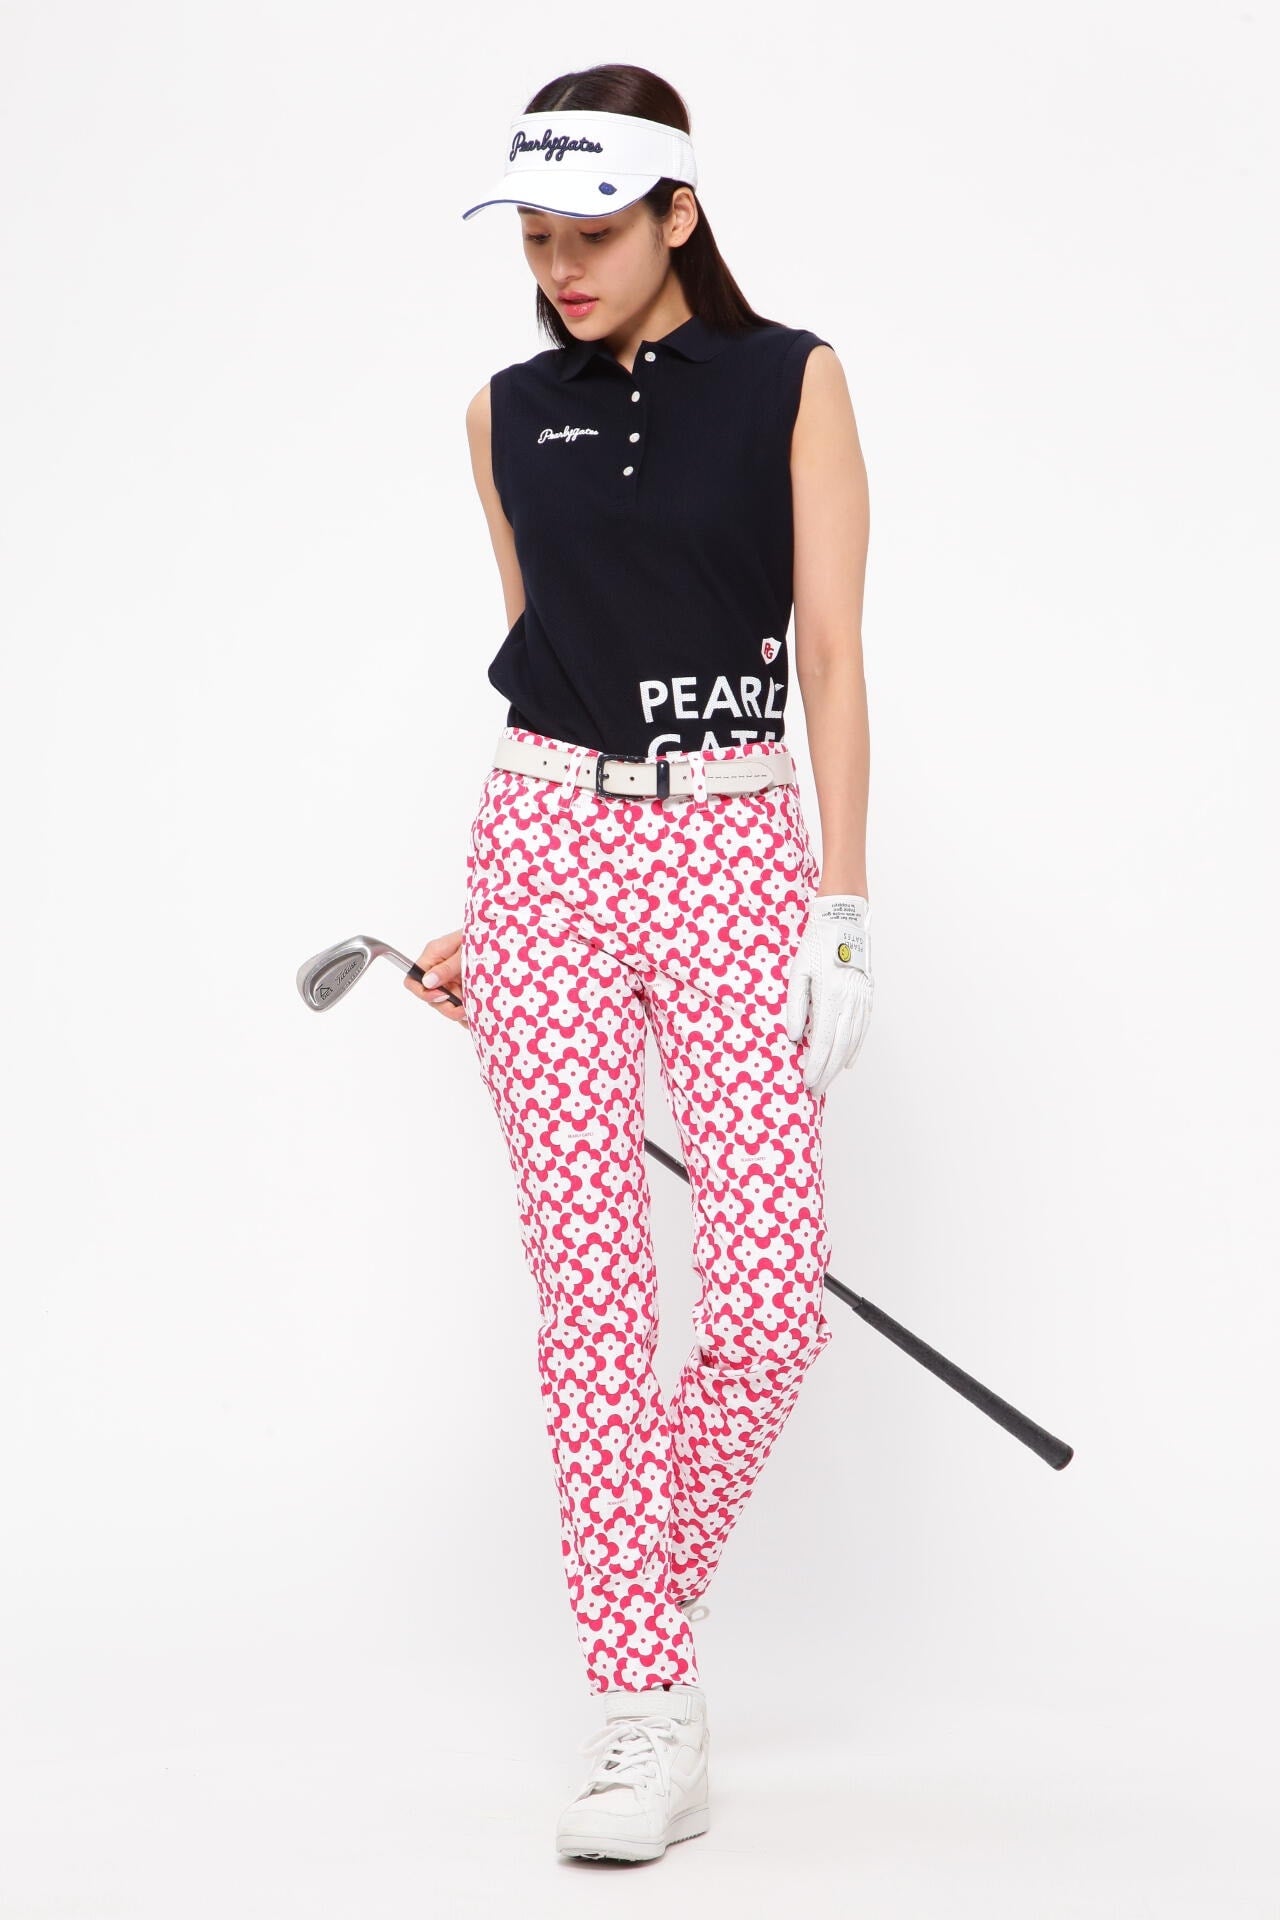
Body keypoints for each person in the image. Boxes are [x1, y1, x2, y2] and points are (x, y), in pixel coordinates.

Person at [408, 66, 873, 1865]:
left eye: (593, 232)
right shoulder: (502, 413)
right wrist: (503, 911)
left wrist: (842, 905)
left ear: (680, 213)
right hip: (543, 847)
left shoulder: (791, 381)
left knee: (767, 1298)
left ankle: (631, 1609)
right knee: (594, 1296)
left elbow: (830, 656)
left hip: (737, 842)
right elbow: (546, 650)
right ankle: (644, 1716)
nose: (563, 269)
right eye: (537, 238)